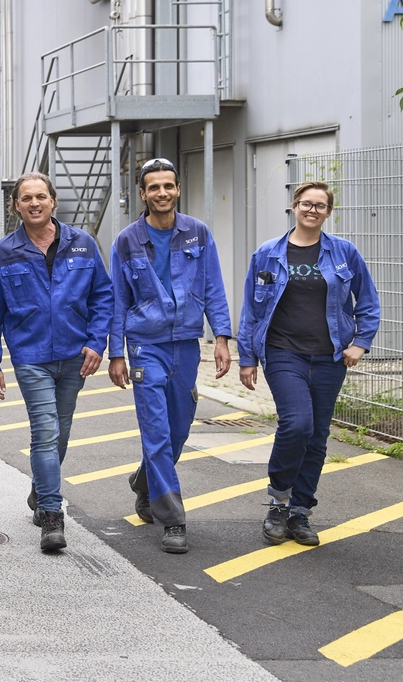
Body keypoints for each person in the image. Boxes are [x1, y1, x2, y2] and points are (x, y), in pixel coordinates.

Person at [237, 180, 379, 547]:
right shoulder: (268, 253)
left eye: (320, 205)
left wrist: (360, 343)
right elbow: (252, 309)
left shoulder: (344, 253)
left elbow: (368, 301)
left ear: (328, 212)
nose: (312, 210)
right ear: (294, 206)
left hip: (330, 355)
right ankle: (278, 501)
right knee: (297, 424)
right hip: (284, 352)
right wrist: (247, 357)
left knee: (316, 436)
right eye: (305, 203)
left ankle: (300, 512)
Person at [0, 172, 113, 553]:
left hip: (75, 355)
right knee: (45, 430)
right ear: (17, 206)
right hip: (31, 356)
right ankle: (52, 515)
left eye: (41, 196)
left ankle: (40, 489)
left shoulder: (83, 244)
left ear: (53, 201)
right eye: (27, 198)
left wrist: (96, 342)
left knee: (63, 431)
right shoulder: (4, 252)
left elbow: (103, 296)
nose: (35, 203)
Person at [109, 157, 232, 555]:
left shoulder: (197, 232)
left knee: (179, 430)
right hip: (145, 344)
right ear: (142, 194)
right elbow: (117, 300)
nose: (162, 193)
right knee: (157, 431)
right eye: (154, 187)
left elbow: (212, 284)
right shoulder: (127, 240)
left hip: (186, 343)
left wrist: (222, 337)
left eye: (168, 186)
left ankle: (145, 481)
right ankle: (172, 518)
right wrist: (116, 353)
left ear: (178, 190)